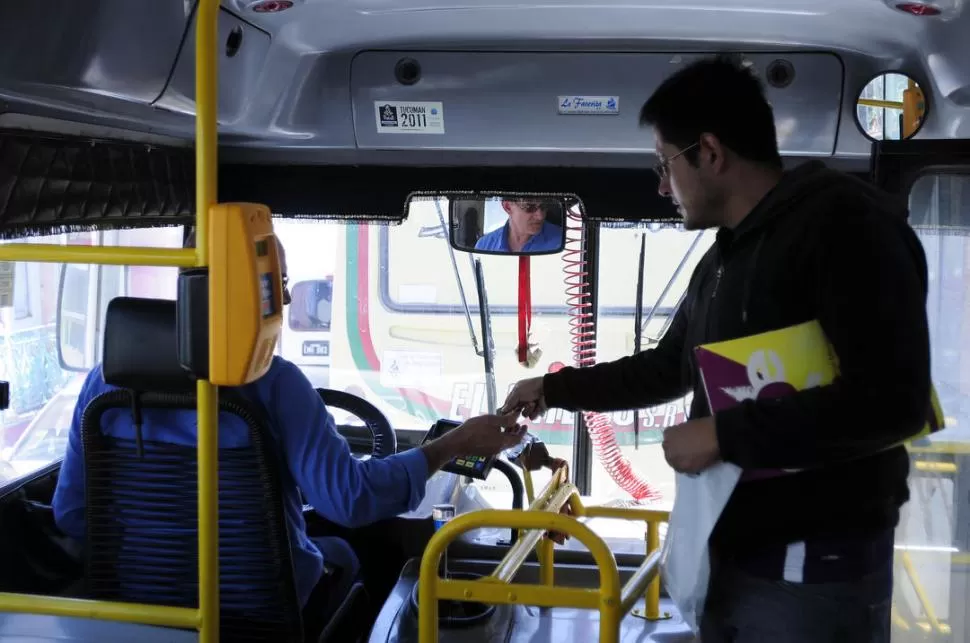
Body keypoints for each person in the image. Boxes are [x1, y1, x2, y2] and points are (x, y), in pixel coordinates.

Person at [500, 55, 930, 642]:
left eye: (663, 165)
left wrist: (724, 435)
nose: (659, 186)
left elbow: (890, 401)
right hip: (734, 553)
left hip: (813, 567)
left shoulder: (844, 226)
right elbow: (666, 368)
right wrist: (552, 389)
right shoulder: (725, 258)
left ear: (709, 151)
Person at [52, 229, 527, 630]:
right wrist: (457, 443)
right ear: (244, 288)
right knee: (351, 552)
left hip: (137, 613)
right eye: (275, 283)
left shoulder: (105, 382)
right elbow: (350, 499)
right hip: (257, 618)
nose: (282, 297)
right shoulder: (274, 385)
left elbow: (72, 513)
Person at [474, 198, 564, 253]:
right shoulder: (484, 246)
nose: (540, 216)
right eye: (530, 207)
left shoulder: (563, 240)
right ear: (507, 206)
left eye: (544, 206)